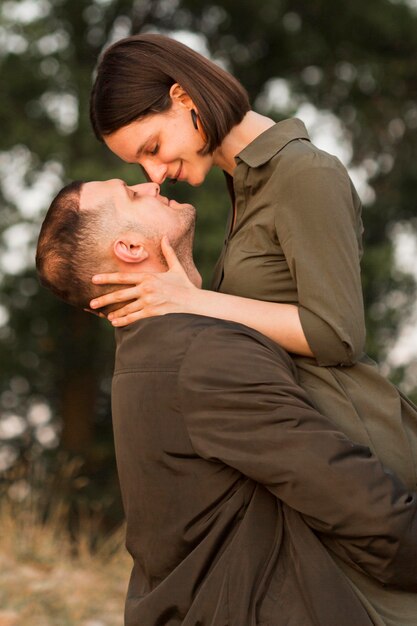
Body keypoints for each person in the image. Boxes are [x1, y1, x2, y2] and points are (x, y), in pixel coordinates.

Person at [89, 34, 417, 624]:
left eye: (154, 146)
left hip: (365, 455)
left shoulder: (305, 173)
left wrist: (193, 302)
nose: (155, 172)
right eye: (138, 164)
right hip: (320, 458)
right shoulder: (242, 182)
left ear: (185, 97)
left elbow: (337, 333)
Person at [36, 179, 417, 626]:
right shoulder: (203, 356)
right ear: (131, 247)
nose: (151, 182)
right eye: (132, 194)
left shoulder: (145, 358)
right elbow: (363, 510)